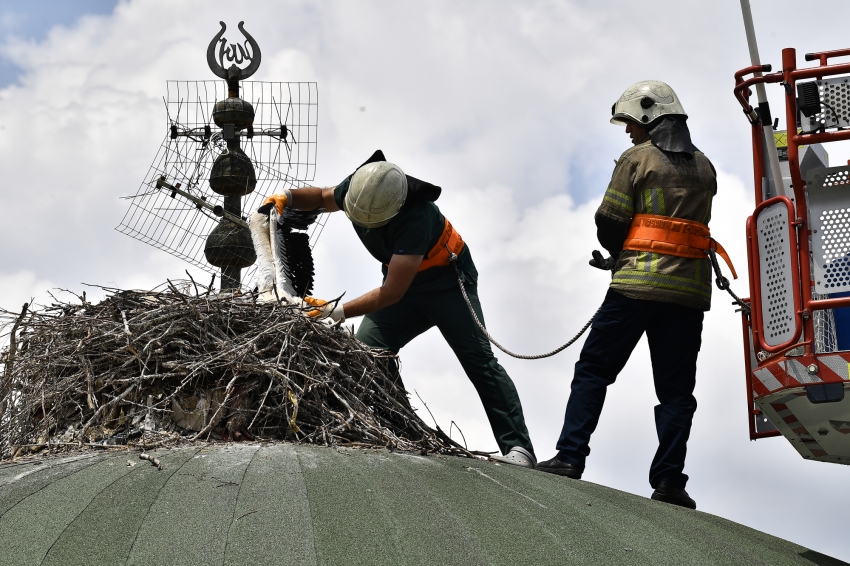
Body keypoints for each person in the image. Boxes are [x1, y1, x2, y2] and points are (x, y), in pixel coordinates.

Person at [261, 151, 536, 468]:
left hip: (446, 285)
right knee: (366, 354)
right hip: (404, 288)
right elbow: (323, 197)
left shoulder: (415, 217)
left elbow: (392, 292)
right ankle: (401, 429)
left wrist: (336, 311)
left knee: (479, 361)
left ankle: (518, 448)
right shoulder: (360, 187)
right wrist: (289, 197)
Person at [537, 81, 731, 510]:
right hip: (687, 294)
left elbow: (610, 218)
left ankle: (570, 457)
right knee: (677, 393)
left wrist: (616, 253)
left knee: (593, 371)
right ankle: (669, 482)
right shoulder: (706, 168)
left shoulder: (636, 159)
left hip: (635, 287)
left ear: (648, 116)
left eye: (629, 123)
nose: (627, 132)